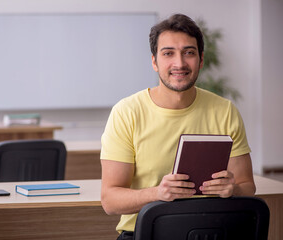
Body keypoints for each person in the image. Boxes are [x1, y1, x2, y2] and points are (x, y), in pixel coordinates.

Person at [100, 13, 256, 240]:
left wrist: (233, 189)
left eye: (189, 53)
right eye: (168, 53)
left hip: (209, 232)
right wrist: (158, 194)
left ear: (201, 60)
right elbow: (110, 201)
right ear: (154, 61)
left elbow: (247, 186)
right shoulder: (126, 113)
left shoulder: (225, 111)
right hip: (145, 234)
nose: (180, 63)